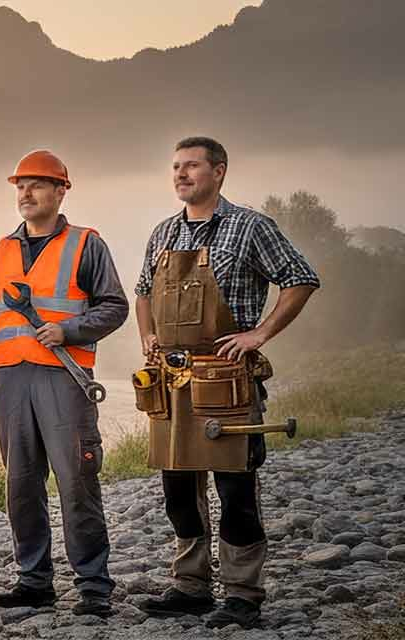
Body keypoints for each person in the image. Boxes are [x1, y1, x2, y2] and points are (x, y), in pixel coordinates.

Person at [133, 137, 319, 629]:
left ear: (219, 171)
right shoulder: (163, 232)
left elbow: (300, 279)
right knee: (177, 486)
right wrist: (148, 335)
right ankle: (190, 586)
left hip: (226, 379)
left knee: (235, 485)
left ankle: (242, 593)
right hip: (170, 381)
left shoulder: (251, 226)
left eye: (192, 165)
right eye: (176, 166)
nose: (181, 174)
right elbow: (143, 292)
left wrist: (259, 334)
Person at [0, 150, 128, 616]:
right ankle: (34, 581)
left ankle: (94, 587)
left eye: (37, 184)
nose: (26, 192)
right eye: (20, 185)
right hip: (11, 382)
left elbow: (115, 306)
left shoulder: (86, 244)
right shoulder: (2, 250)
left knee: (77, 482)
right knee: (21, 485)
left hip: (65, 379)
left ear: (61, 191)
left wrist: (69, 330)